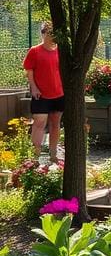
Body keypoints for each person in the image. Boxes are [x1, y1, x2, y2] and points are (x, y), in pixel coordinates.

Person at [22, 21, 63, 158]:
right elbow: (29, 70)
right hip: (40, 94)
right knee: (39, 123)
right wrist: (33, 87)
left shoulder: (60, 50)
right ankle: (35, 158)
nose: (53, 36)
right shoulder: (35, 51)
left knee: (55, 123)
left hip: (59, 93)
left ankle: (53, 155)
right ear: (43, 33)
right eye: (50, 33)